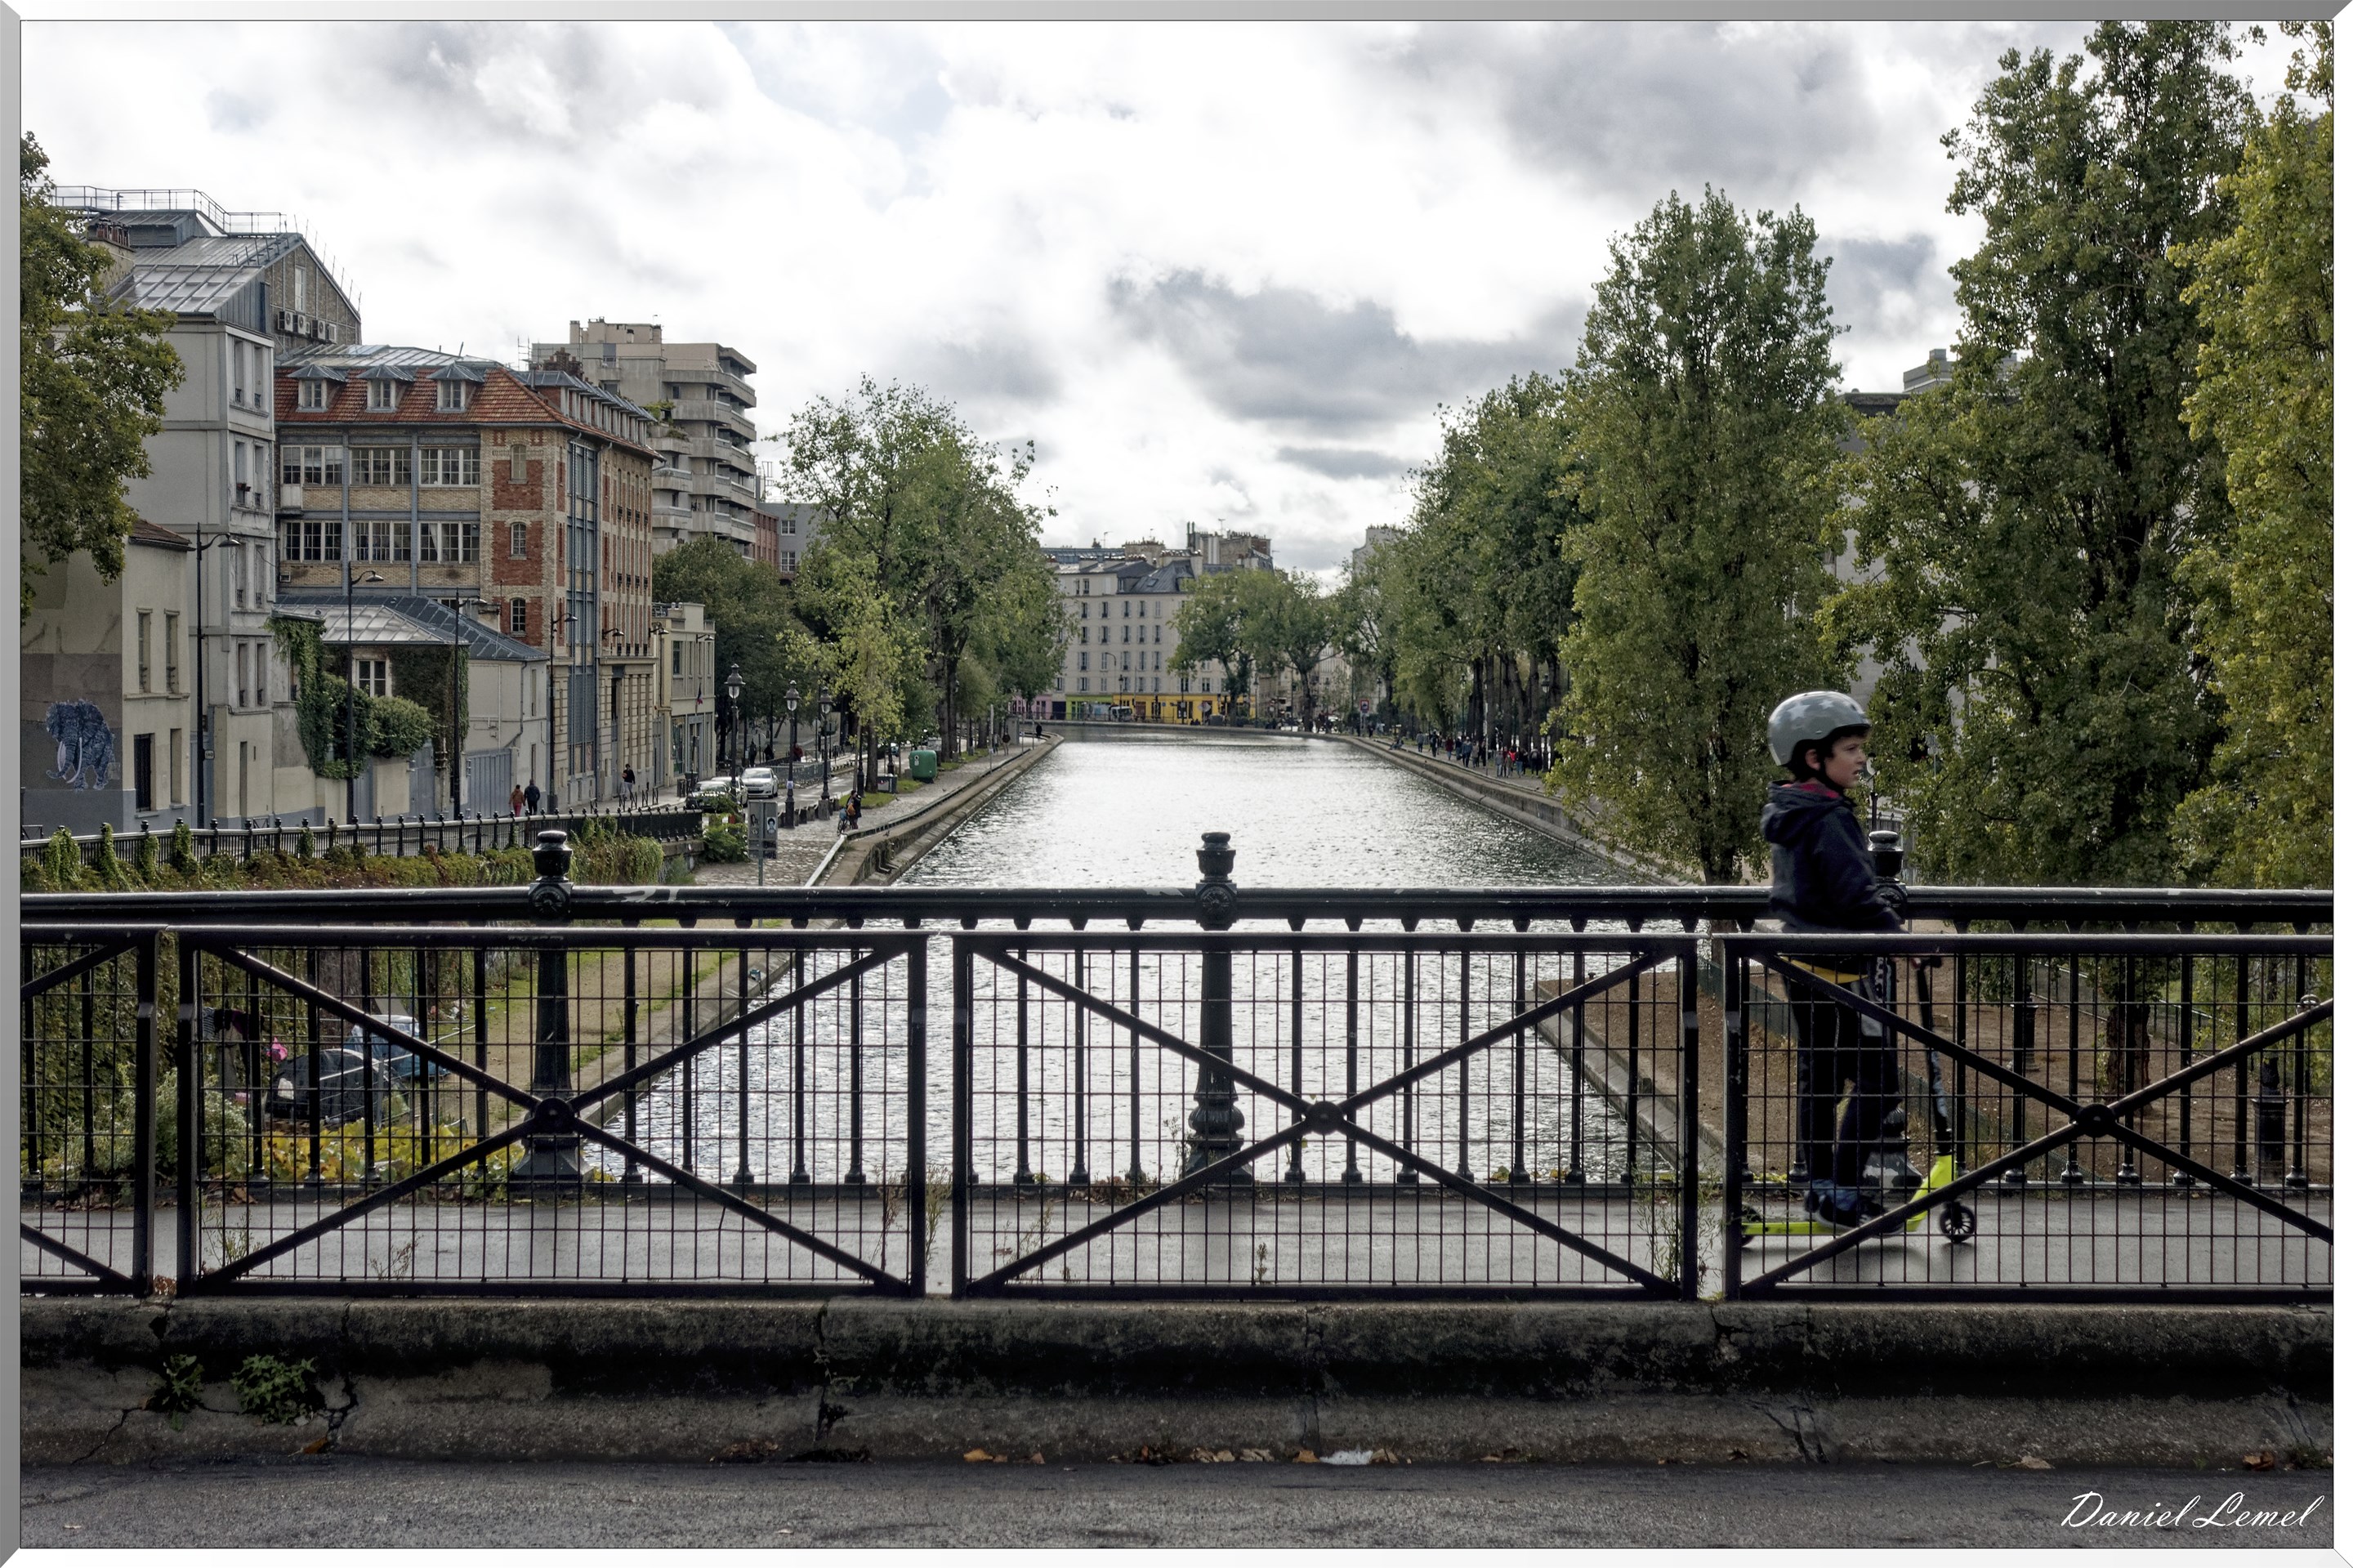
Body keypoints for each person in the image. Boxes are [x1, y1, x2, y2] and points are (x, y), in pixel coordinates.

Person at [1761, 690, 1904, 1231]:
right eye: (1850, 748)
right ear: (1814, 758)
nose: (1860, 758)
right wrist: (1902, 939)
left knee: (1819, 1080)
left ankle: (1821, 1188)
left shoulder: (1791, 811)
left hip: (1802, 966)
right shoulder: (1829, 817)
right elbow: (1854, 895)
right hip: (1841, 973)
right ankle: (1844, 1190)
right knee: (1881, 1080)